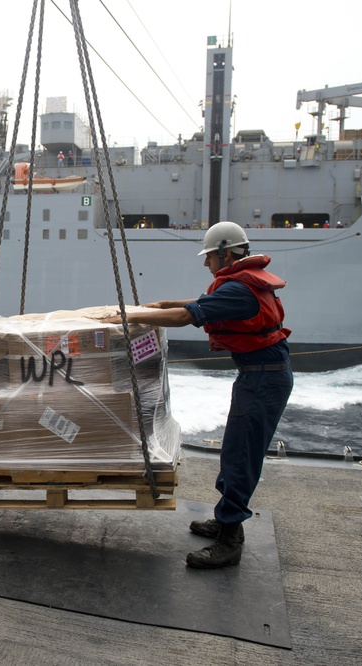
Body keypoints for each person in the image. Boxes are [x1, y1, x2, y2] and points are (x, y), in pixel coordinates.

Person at [104, 221, 293, 569]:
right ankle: (226, 521)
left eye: (209, 256)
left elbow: (185, 316)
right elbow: (199, 303)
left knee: (241, 455)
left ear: (224, 252)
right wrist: (162, 303)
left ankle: (230, 541)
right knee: (235, 450)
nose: (206, 263)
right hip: (259, 375)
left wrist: (131, 316)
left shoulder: (239, 290)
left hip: (263, 380)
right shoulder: (241, 286)